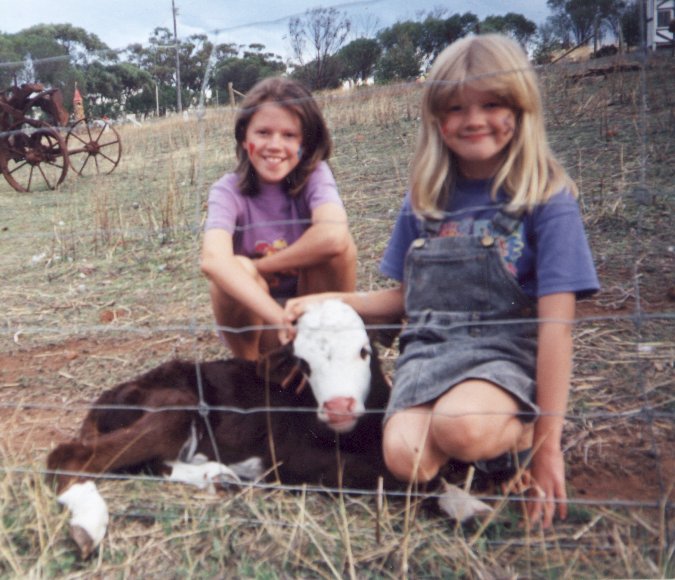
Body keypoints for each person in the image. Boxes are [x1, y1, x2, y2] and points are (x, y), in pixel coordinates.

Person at [283, 34, 599, 528]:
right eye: (455, 108)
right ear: (436, 120)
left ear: (523, 108)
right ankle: (472, 441)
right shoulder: (425, 198)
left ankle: (516, 435)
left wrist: (547, 448)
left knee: (460, 426)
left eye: (492, 103)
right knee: (403, 458)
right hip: (429, 354)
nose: (473, 119)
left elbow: (556, 327)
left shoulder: (546, 198)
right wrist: (327, 298)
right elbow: (406, 299)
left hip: (504, 357)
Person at [201, 77, 357, 360]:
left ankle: (323, 355)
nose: (275, 145)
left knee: (341, 247)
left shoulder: (315, 175)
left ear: (306, 143)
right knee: (234, 268)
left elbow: (333, 236)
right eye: (263, 132)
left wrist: (261, 267)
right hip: (260, 328)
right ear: (244, 137)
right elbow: (212, 260)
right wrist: (276, 314)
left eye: (289, 135)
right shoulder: (227, 190)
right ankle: (250, 372)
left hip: (310, 318)